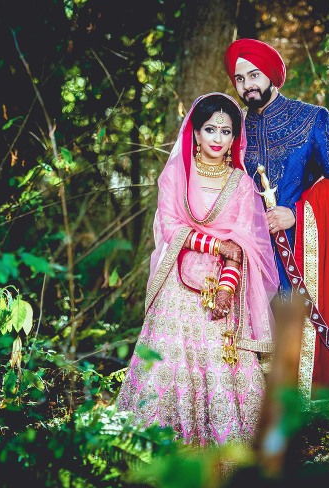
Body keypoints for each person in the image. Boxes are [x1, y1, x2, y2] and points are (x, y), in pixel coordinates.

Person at [116, 92, 279, 446]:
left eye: (226, 131)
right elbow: (171, 227)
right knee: (169, 362)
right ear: (196, 132)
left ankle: (226, 447)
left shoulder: (241, 184)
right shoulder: (177, 175)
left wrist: (226, 289)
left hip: (224, 289)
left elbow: (244, 245)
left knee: (222, 365)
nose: (218, 138)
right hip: (178, 286)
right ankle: (158, 445)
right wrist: (216, 245)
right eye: (210, 129)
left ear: (235, 138)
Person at [223, 38, 329, 400]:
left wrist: (295, 214)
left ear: (272, 75)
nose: (247, 85)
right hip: (249, 256)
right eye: (239, 79)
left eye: (254, 75)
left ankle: (311, 411)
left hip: (303, 253)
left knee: (298, 337)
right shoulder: (233, 130)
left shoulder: (313, 120)